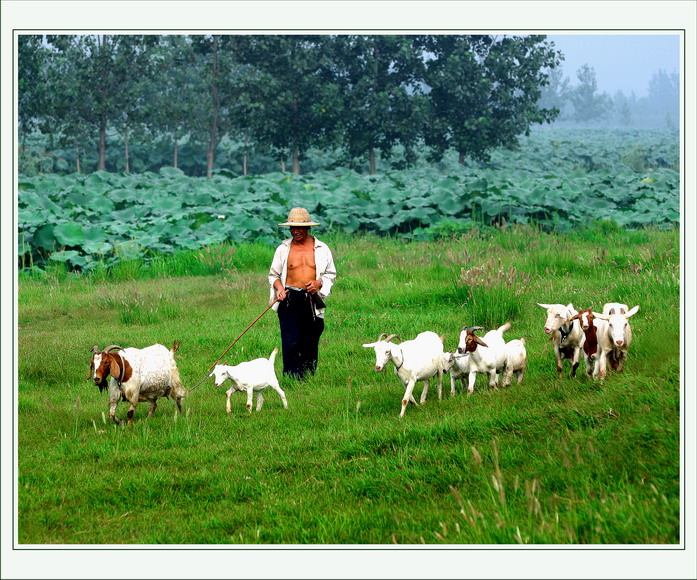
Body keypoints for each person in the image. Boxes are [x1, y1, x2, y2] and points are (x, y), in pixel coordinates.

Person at [268, 207, 337, 379]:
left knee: (310, 339)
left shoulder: (322, 248)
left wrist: (318, 283)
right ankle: (291, 377)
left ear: (308, 228)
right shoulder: (283, 249)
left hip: (311, 299)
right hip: (289, 299)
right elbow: (274, 275)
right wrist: (280, 289)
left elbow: (330, 273)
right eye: (292, 227)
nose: (295, 231)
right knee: (290, 341)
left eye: (299, 227)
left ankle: (308, 376)